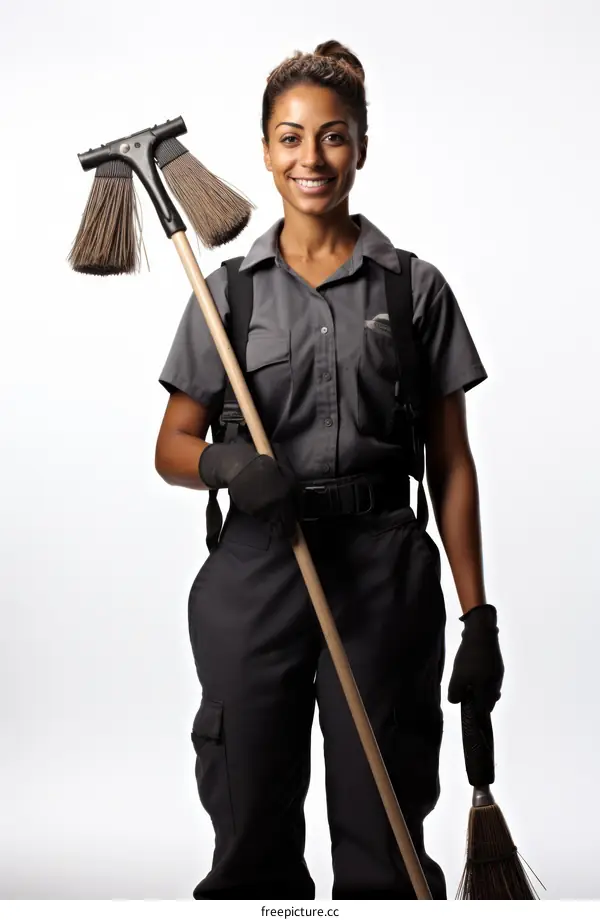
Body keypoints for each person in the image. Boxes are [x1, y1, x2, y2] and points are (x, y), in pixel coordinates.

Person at [155, 40, 505, 900]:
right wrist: (231, 465)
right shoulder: (226, 293)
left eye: (334, 136)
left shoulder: (413, 289)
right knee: (250, 824)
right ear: (266, 148)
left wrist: (478, 616)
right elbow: (171, 448)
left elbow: (451, 463)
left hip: (383, 572)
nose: (312, 159)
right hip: (259, 566)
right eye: (290, 137)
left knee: (382, 828)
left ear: (362, 146)